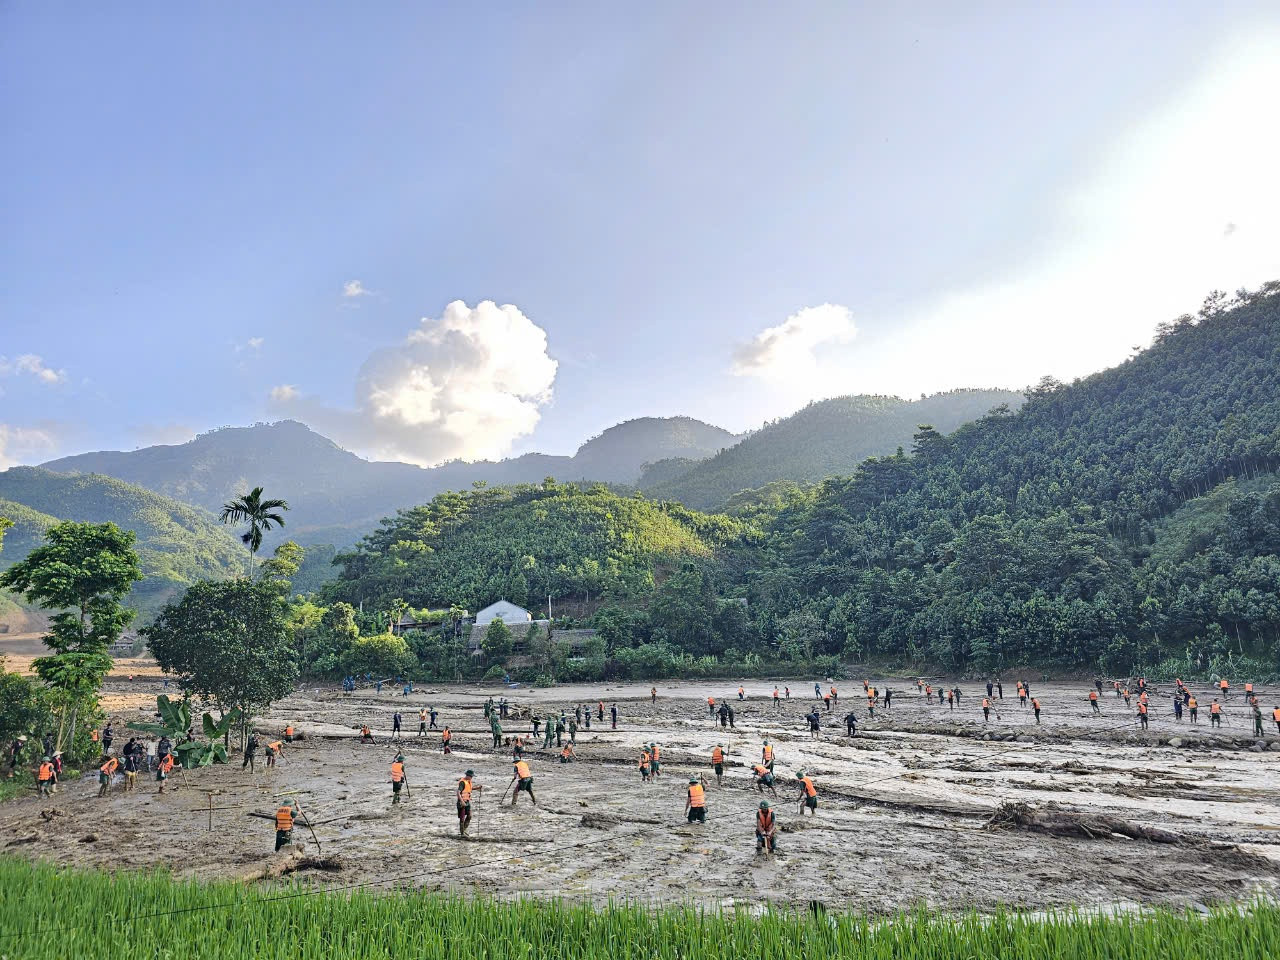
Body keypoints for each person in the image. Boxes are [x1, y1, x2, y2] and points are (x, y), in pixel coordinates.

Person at [457, 770, 481, 837]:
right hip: (462, 802)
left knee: (469, 816)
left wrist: (477, 788)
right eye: (471, 776)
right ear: (468, 776)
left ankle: (464, 830)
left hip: (467, 801)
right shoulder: (462, 782)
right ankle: (462, 833)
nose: (472, 778)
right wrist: (462, 801)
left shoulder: (468, 781)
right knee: (462, 817)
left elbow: (469, 788)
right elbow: (458, 792)